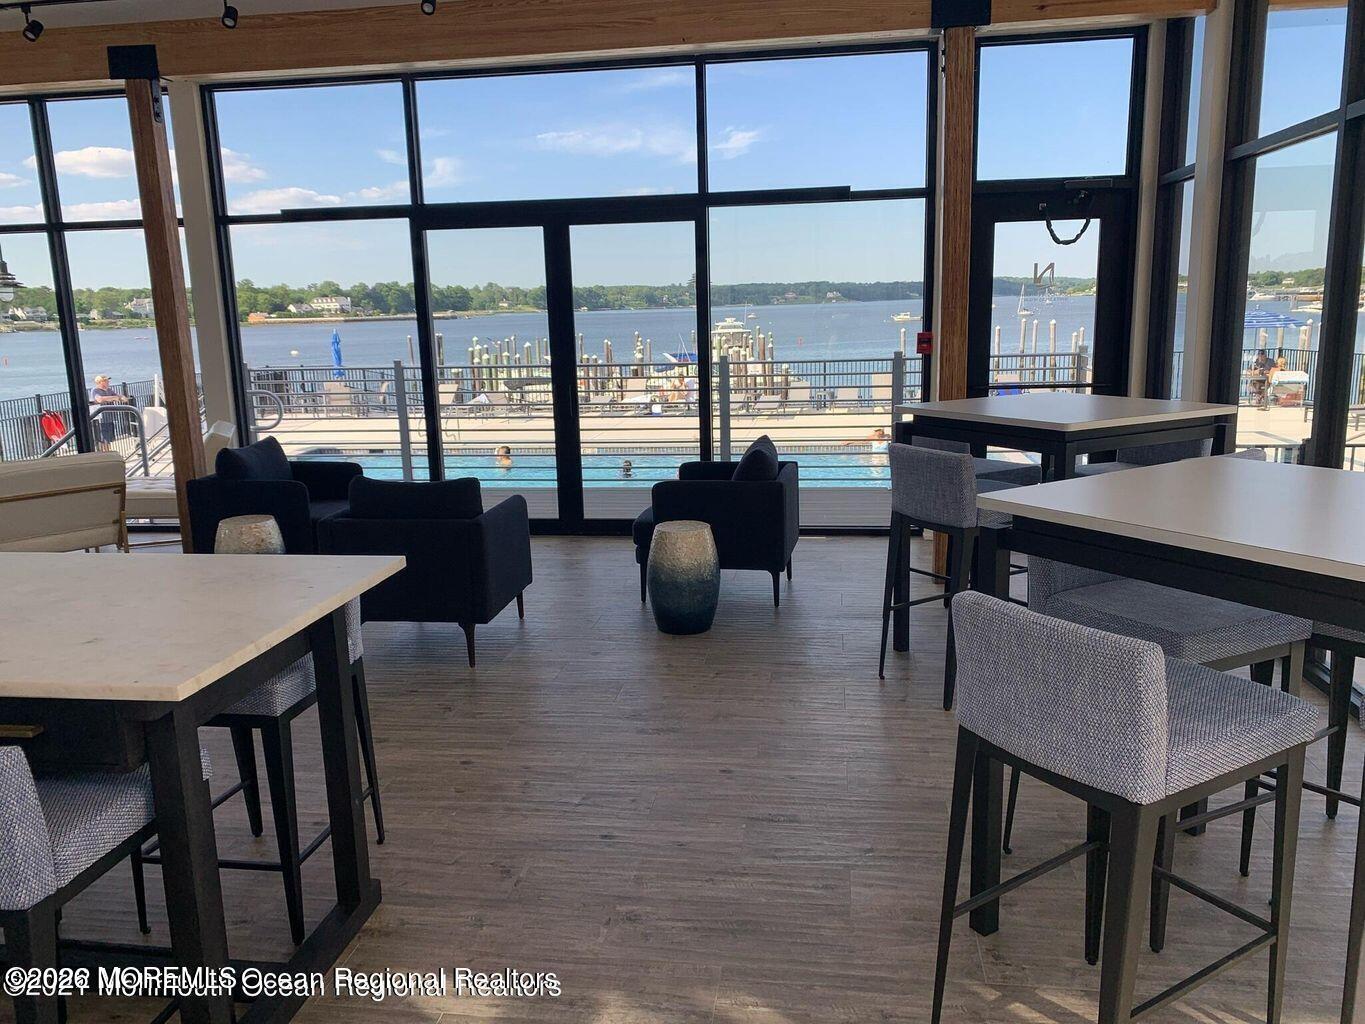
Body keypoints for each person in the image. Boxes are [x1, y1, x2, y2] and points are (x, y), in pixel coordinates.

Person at [89, 374, 130, 451]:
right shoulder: (95, 390)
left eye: (107, 380)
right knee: (103, 437)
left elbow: (118, 396)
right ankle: (105, 453)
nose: (108, 382)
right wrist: (113, 398)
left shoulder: (109, 390)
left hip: (109, 417)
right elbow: (99, 399)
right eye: (105, 381)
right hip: (101, 418)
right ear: (100, 382)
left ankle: (108, 451)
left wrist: (121, 397)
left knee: (109, 437)